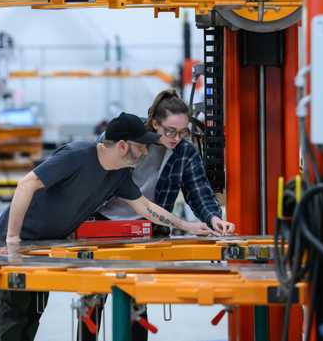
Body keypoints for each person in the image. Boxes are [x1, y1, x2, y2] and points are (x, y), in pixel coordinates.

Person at [0, 112, 215, 341]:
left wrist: (187, 225)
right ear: (122, 146)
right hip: (21, 241)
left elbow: (145, 207)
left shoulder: (118, 174)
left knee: (32, 314)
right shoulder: (76, 155)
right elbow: (26, 184)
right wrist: (12, 238)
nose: (146, 152)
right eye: (141, 146)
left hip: (45, 246)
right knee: (15, 317)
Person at [78, 89, 236, 341]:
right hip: (101, 225)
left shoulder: (184, 152)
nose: (176, 138)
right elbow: (92, 174)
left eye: (182, 132)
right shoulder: (125, 136)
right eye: (170, 131)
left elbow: (199, 192)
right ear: (154, 123)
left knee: (137, 303)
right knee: (91, 303)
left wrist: (213, 217)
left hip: (145, 230)